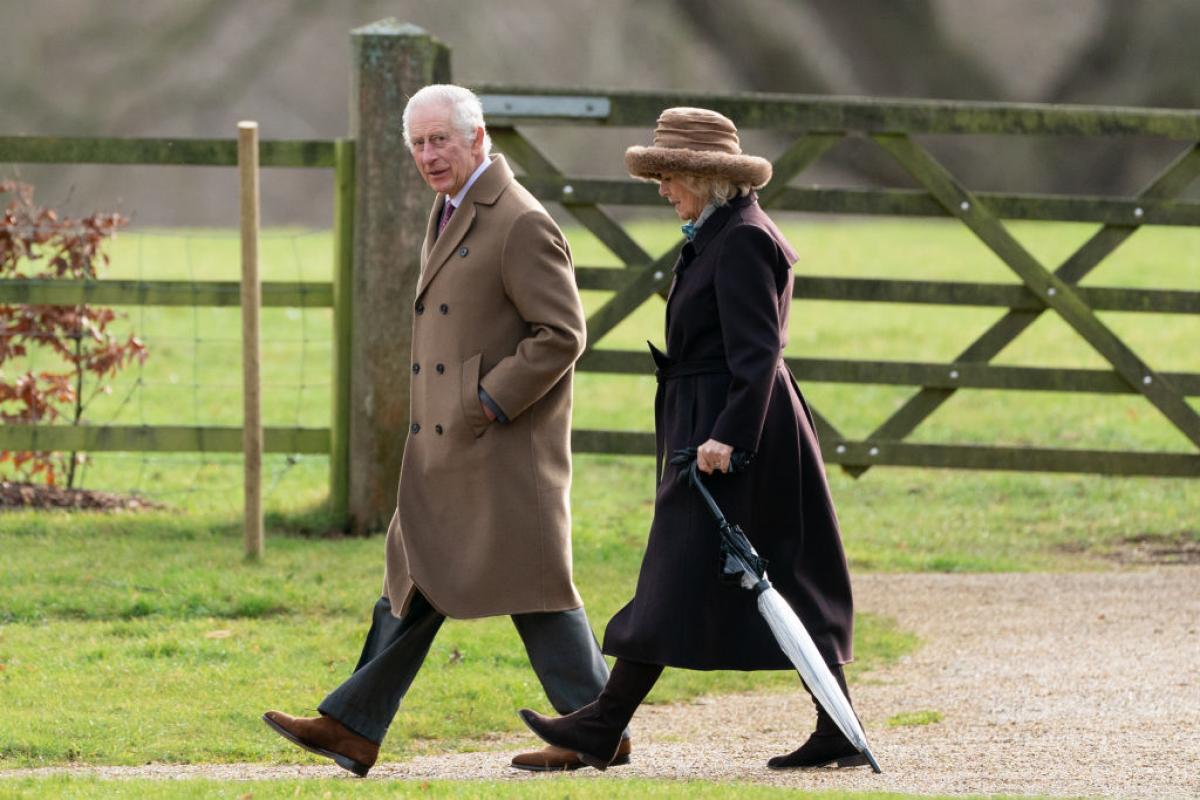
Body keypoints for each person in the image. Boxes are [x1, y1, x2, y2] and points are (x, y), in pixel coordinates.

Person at [263, 84, 630, 776]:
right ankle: (354, 726)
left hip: (498, 447)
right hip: (449, 447)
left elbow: (562, 333)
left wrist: (487, 401)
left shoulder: (518, 220)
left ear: (478, 138)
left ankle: (593, 727)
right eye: (419, 143)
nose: (429, 155)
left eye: (441, 141)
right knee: (416, 574)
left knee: (533, 584)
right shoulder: (451, 207)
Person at [518, 107, 864, 771]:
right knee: (729, 574)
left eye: (669, 174)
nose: (661, 187)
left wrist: (726, 439)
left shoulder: (742, 242)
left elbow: (759, 354)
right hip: (715, 421)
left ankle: (603, 724)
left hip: (735, 431)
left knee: (701, 573)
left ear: (707, 178)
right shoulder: (718, 234)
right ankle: (835, 728)